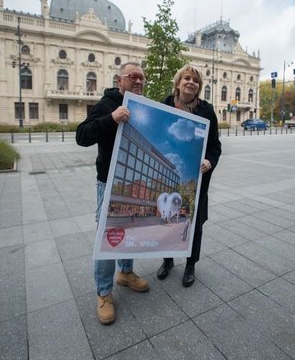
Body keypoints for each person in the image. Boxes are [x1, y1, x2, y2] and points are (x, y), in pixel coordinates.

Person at [76, 62, 150, 325]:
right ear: (120, 79)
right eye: (133, 77)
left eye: (142, 77)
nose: (139, 81)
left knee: (129, 230)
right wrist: (112, 118)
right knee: (108, 237)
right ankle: (104, 293)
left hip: (134, 185)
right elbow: (82, 135)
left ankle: (126, 273)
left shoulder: (143, 106)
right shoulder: (108, 103)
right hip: (109, 184)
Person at [157, 64, 222, 287]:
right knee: (168, 218)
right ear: (178, 82)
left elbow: (215, 146)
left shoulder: (206, 110)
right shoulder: (166, 104)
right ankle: (167, 260)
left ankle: (190, 265)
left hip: (196, 179)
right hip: (170, 173)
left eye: (196, 81)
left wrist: (209, 161)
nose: (191, 83)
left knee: (195, 224)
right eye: (187, 78)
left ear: (199, 87)